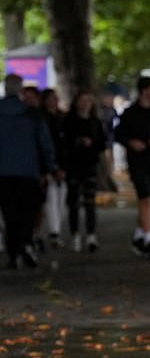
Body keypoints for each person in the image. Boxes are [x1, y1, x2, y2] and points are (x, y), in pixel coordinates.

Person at [0, 74, 57, 269]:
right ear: (20, 90)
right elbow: (45, 144)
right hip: (28, 171)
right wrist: (50, 167)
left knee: (9, 213)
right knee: (28, 211)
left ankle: (13, 251)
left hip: (3, 173)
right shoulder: (32, 115)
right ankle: (25, 242)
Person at [115, 76, 150, 260]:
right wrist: (131, 142)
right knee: (145, 197)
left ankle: (140, 234)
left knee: (148, 199)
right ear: (144, 91)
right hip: (137, 161)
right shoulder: (130, 113)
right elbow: (119, 134)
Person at [62, 91, 107, 252]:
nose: (85, 103)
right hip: (74, 166)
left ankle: (91, 234)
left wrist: (92, 144)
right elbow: (64, 144)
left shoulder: (95, 122)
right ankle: (75, 234)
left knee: (90, 201)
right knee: (73, 202)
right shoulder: (69, 121)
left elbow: (102, 143)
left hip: (90, 166)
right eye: (82, 100)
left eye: (88, 100)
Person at [40, 88, 68, 247]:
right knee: (51, 198)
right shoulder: (44, 120)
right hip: (51, 165)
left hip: (60, 163)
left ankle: (55, 228)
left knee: (60, 198)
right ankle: (54, 231)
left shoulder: (61, 118)